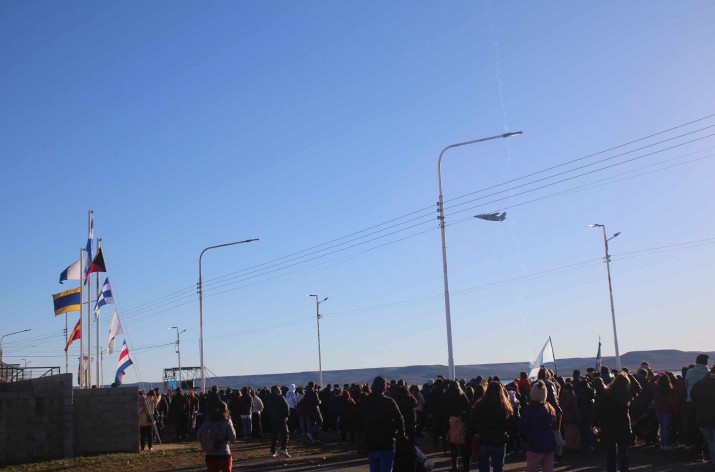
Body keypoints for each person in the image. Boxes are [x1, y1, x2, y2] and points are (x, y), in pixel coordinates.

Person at [360, 376, 405, 472]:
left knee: (374, 468)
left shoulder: (365, 401)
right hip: (387, 442)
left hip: (371, 441)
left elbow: (360, 419)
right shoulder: (389, 401)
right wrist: (401, 431)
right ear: (384, 388)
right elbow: (399, 418)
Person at [473, 381, 514, 472]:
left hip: (484, 439)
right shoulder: (505, 407)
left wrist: (476, 432)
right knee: (498, 468)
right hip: (499, 440)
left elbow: (474, 421)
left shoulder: (480, 405)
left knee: (483, 467)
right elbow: (511, 425)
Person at [596, 372, 633, 472]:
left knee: (610, 454)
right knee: (623, 454)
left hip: (608, 426)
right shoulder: (625, 395)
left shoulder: (606, 394)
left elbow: (598, 409)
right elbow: (638, 389)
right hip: (623, 426)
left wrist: (597, 423)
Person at [520, 381, 556, 472]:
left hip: (534, 444)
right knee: (548, 468)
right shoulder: (550, 408)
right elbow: (553, 423)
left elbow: (524, 427)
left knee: (532, 468)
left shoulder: (529, 410)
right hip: (549, 443)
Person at [196, 400, 236, 472]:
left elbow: (198, 435)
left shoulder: (208, 421)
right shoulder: (227, 421)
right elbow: (232, 437)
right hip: (224, 453)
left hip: (210, 454)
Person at [686, 354, 710, 457]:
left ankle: (696, 447)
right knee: (707, 425)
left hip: (691, 401)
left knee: (693, 425)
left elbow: (686, 384)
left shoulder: (689, 372)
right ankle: (707, 448)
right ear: (705, 362)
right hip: (706, 403)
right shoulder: (708, 373)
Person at [266, 385, 291, 458]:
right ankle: (283, 448)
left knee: (274, 435)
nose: (281, 390)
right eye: (279, 389)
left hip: (273, 419)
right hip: (281, 419)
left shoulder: (268, 398)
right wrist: (286, 417)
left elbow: (267, 409)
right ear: (276, 390)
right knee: (285, 434)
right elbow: (287, 408)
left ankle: (273, 451)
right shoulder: (280, 397)